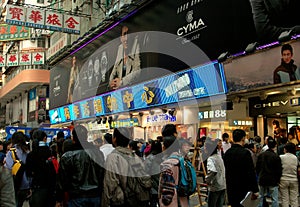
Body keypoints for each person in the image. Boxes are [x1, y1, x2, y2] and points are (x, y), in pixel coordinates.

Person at [56, 125, 105, 207]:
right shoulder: (98, 154)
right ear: (86, 136)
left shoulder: (67, 156)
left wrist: (59, 199)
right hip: (95, 196)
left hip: (76, 197)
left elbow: (62, 180)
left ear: (73, 138)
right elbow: (102, 174)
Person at [102, 127, 149, 207]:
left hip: (122, 201)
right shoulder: (134, 156)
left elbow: (110, 184)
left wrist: (105, 204)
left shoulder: (113, 157)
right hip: (138, 199)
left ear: (115, 139)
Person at [223, 129, 259, 207]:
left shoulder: (227, 153)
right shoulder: (245, 153)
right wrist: (255, 190)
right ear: (243, 138)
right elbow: (250, 172)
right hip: (244, 189)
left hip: (231, 188)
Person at [26, 130, 56, 207]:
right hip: (50, 188)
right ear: (45, 138)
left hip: (36, 188)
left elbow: (28, 173)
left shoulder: (31, 154)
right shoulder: (50, 152)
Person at [158, 135, 189, 207]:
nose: (162, 147)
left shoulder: (168, 164)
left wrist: (164, 202)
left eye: (163, 144)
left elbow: (167, 188)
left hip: (172, 202)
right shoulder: (182, 159)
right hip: (183, 198)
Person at [109, 25, 141, 90]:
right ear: (121, 38)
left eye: (128, 34)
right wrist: (111, 82)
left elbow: (137, 71)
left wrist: (121, 82)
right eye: (124, 35)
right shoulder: (120, 48)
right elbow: (114, 69)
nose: (126, 38)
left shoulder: (136, 45)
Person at [4, 132, 31, 207]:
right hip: (26, 185)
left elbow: (8, 168)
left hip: (14, 183)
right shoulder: (28, 152)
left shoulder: (11, 152)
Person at [256, 137, 282, 207]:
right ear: (275, 146)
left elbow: (257, 168)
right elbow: (279, 170)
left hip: (262, 178)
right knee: (274, 199)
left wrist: (259, 175)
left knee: (260, 197)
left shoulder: (261, 155)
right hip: (273, 180)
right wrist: (278, 179)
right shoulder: (276, 156)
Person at [205, 140, 226, 207]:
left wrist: (207, 180)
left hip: (215, 186)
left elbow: (212, 170)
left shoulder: (210, 159)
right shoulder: (219, 157)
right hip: (223, 185)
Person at [279, 142, 298, 207]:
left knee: (284, 199)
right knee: (294, 199)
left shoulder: (281, 157)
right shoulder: (296, 158)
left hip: (283, 179)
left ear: (286, 149)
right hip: (294, 180)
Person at [144, 140, 163, 207]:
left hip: (152, 186)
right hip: (162, 186)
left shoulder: (149, 158)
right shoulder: (163, 158)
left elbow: (146, 172)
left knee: (153, 203)